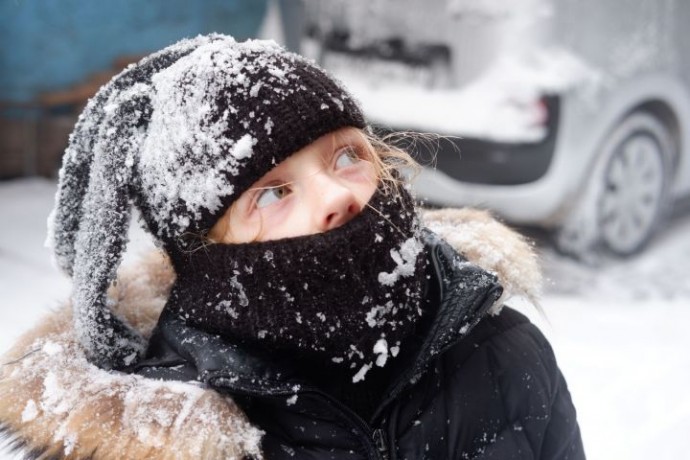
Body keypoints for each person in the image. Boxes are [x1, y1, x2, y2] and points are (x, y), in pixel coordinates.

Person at [0, 34, 584, 459]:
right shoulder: (166, 444)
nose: (338, 195)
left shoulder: (503, 353)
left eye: (348, 155)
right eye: (272, 193)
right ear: (205, 254)